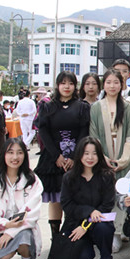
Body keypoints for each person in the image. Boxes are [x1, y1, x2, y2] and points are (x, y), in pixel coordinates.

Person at [34, 71, 91, 237]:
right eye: (63, 83)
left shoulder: (82, 107)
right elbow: (43, 132)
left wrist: (74, 157)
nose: (67, 87)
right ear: (57, 85)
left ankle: (70, 234)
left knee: (74, 197)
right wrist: (56, 156)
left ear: (75, 86)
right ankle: (55, 236)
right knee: (55, 198)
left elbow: (84, 132)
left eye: (71, 83)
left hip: (77, 158)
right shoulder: (47, 106)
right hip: (53, 158)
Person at [90, 69, 130, 252]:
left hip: (123, 160)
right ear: (103, 84)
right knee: (104, 196)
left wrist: (122, 161)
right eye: (108, 82)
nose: (112, 86)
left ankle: (117, 233)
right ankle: (103, 231)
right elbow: (93, 136)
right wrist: (103, 159)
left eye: (116, 82)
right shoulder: (96, 108)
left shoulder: (127, 108)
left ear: (122, 85)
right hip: (101, 159)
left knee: (121, 195)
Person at [60, 137, 118, 259]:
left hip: (98, 222)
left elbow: (107, 205)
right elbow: (67, 205)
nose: (90, 158)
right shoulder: (69, 177)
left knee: (104, 228)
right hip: (75, 224)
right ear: (79, 154)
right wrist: (89, 212)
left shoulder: (107, 176)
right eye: (86, 153)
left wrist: (86, 225)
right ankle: (82, 254)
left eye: (94, 153)